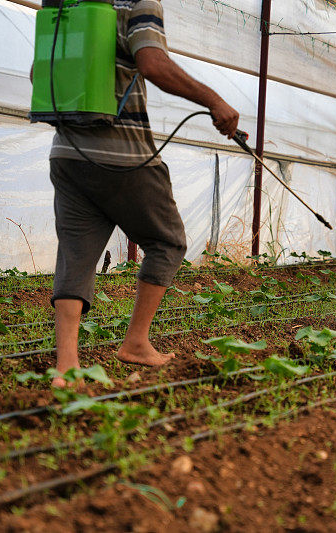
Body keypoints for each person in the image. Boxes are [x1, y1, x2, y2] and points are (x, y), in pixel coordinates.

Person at [43, 0, 239, 387]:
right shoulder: (138, 0)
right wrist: (215, 100)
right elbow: (152, 63)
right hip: (123, 153)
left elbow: (39, 71)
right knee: (167, 241)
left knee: (76, 255)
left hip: (67, 151)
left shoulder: (62, 3)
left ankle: (67, 367)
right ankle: (135, 342)